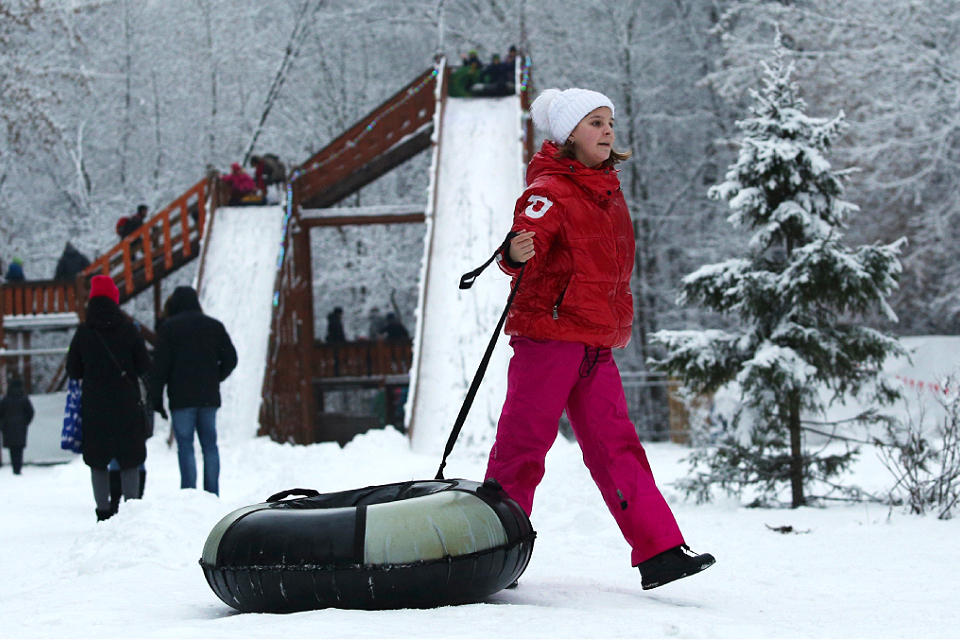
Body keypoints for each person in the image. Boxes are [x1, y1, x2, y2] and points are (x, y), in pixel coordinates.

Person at [484, 87, 715, 590]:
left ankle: (660, 551)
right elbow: (523, 244)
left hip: (592, 342)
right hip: (548, 338)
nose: (607, 130)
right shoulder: (550, 190)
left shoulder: (607, 191)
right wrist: (515, 256)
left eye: (609, 121)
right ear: (569, 136)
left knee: (618, 447)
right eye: (594, 122)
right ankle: (492, 549)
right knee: (523, 447)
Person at [66, 275, 151, 521]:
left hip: (95, 407)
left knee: (98, 461)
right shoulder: (128, 329)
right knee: (130, 459)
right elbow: (145, 366)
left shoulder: (83, 332)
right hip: (126, 405)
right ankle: (131, 512)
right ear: (114, 300)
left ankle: (103, 513)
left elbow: (73, 370)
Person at [149, 286, 237, 496]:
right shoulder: (214, 326)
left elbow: (160, 367)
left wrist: (156, 398)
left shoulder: (169, 329)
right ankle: (211, 493)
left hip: (181, 399)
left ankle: (189, 494)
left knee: (185, 446)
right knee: (209, 445)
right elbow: (231, 358)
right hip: (208, 396)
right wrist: (217, 376)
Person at [0, 375, 34, 475]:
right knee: (19, 448)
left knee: (12, 448)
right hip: (21, 426)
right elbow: (30, 412)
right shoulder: (24, 399)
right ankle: (18, 468)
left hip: (8, 427)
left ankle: (14, 467)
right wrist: (25, 422)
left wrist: (2, 424)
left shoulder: (5, 399)